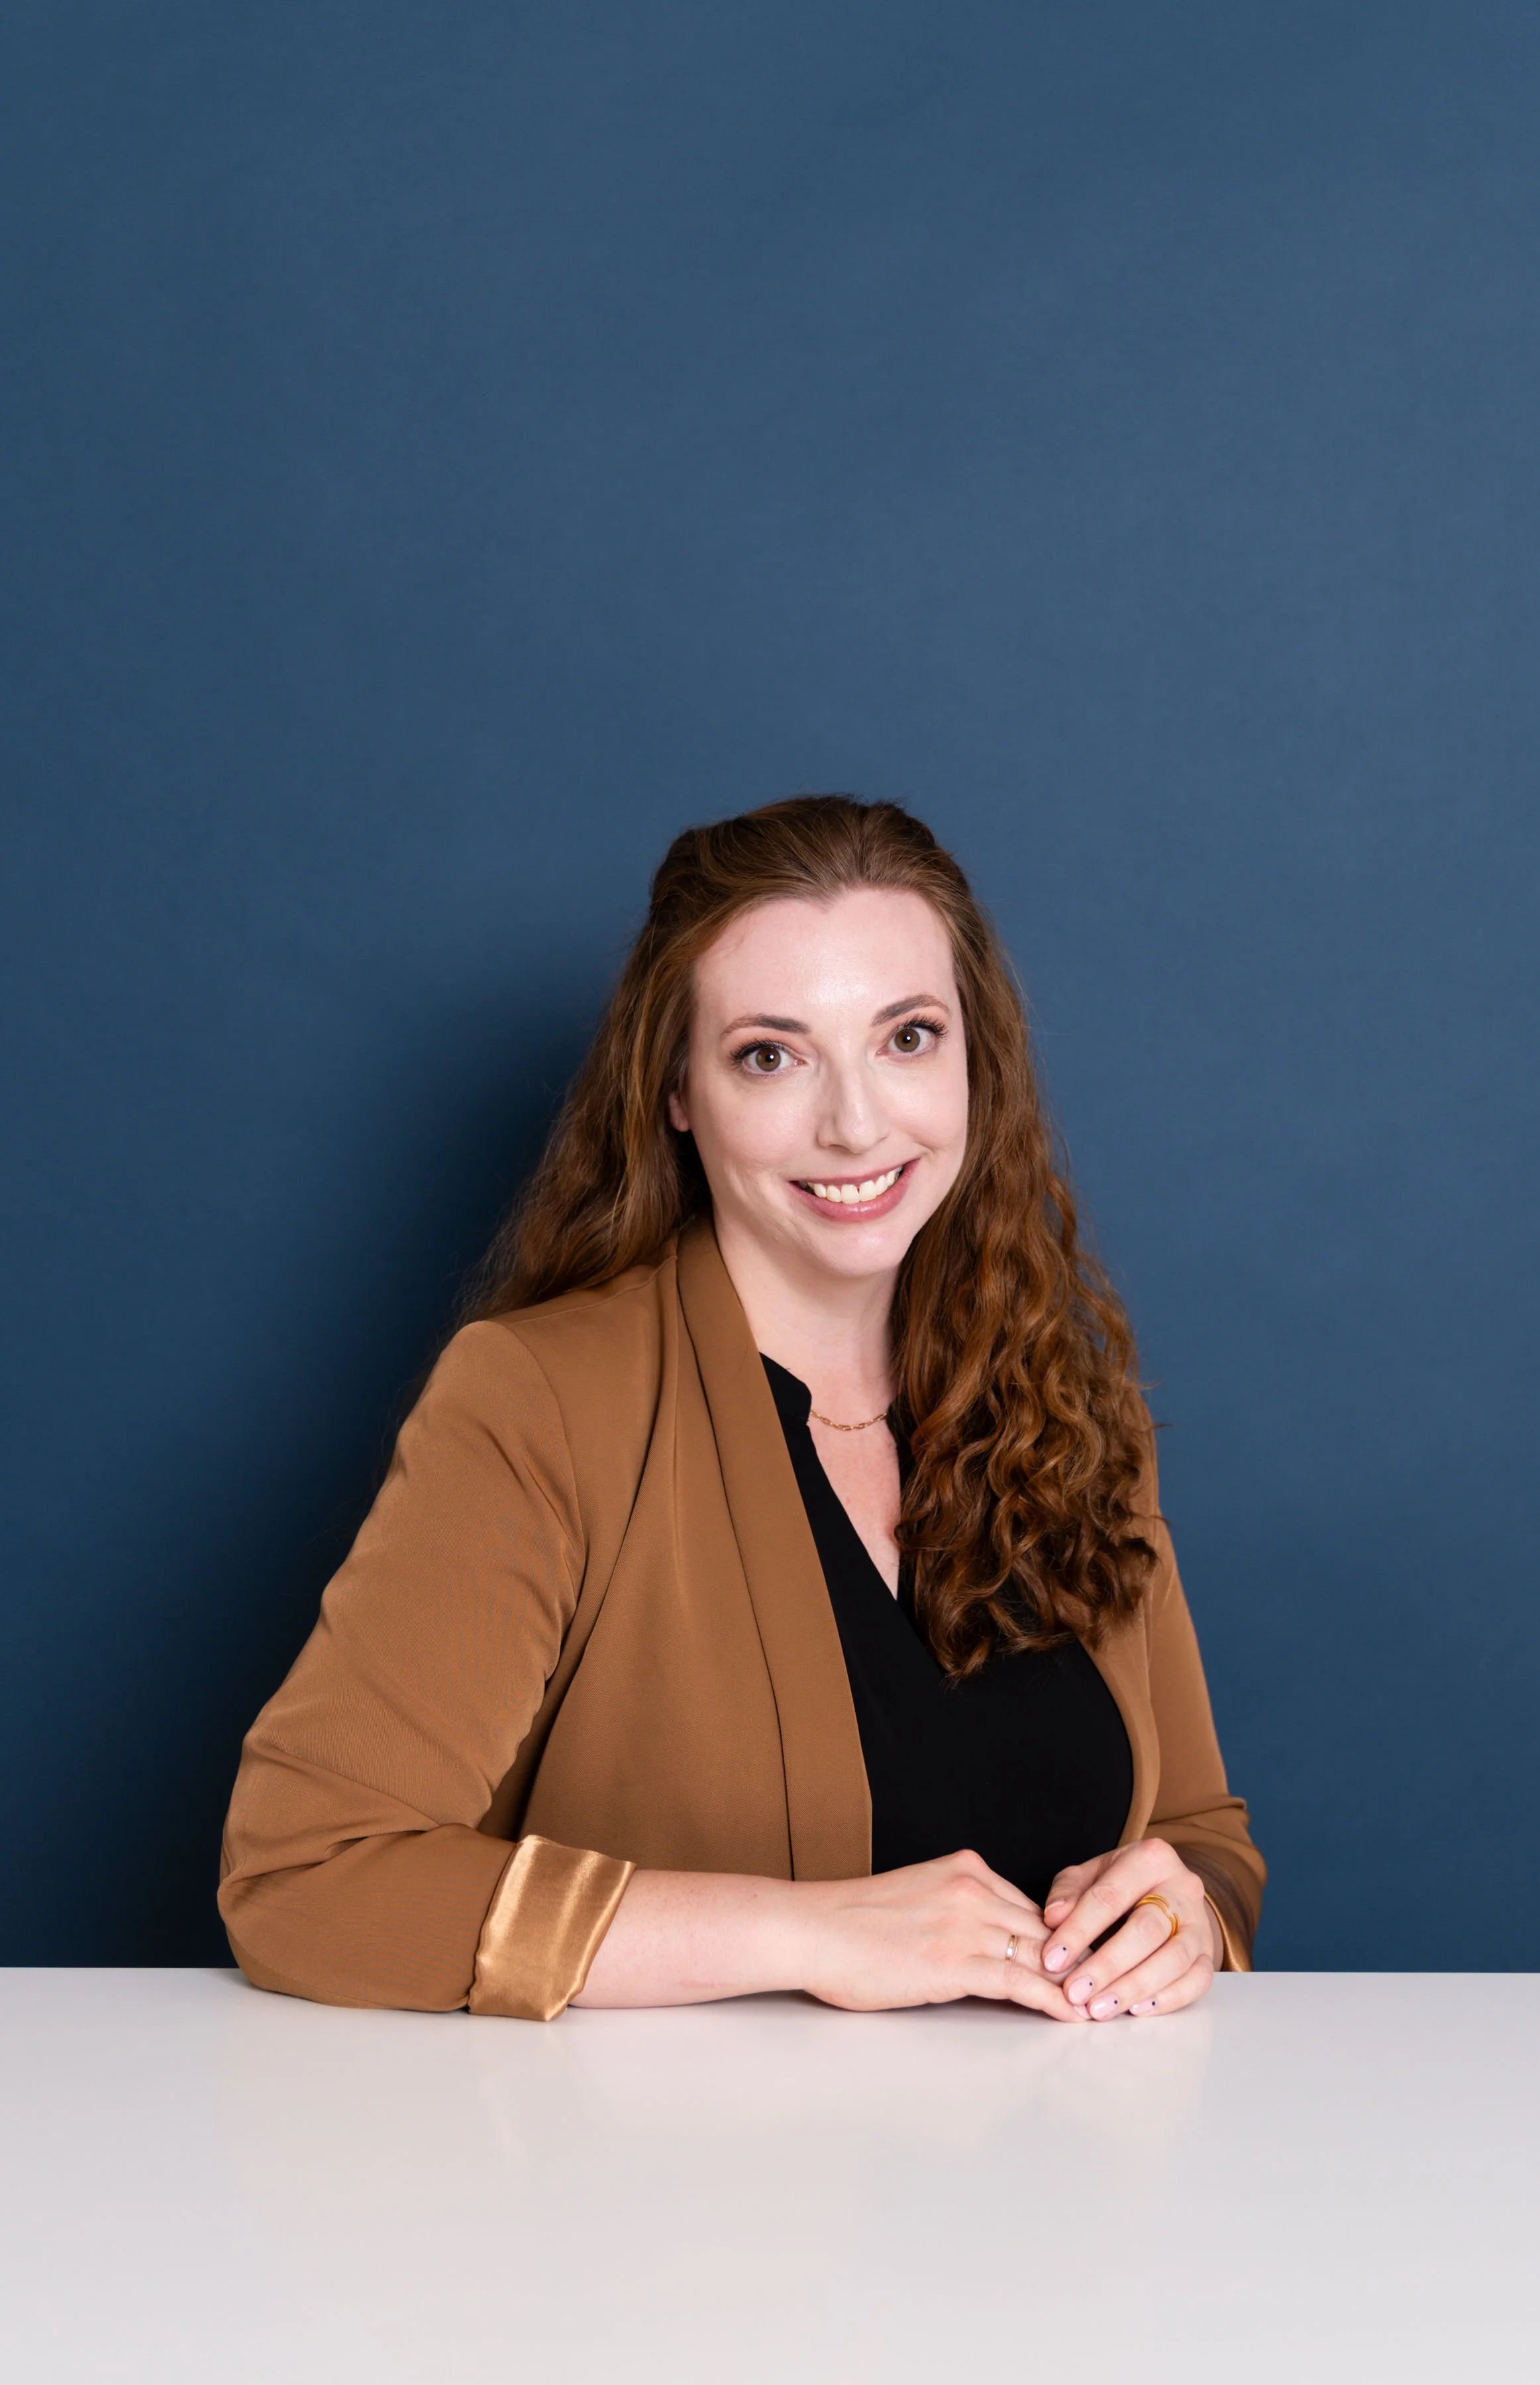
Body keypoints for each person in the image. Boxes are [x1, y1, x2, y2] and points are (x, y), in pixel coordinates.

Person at [220, 796, 1262, 2025]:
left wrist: (1181, 1916)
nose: (856, 1123)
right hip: (668, 2155)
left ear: (977, 1060)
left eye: (908, 1038)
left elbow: (1201, 1836)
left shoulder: (1069, 1405)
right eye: (772, 1055)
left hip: (1066, 2149)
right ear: (677, 1089)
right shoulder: (542, 1401)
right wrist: (803, 1932)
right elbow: (309, 1872)